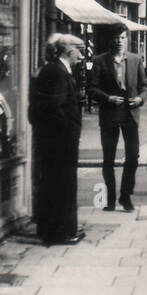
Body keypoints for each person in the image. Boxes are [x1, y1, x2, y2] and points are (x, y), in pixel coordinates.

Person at [29, 33, 85, 245]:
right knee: (62, 187)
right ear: (69, 51)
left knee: (55, 185)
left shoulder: (56, 70)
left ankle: (55, 229)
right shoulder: (57, 72)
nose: (81, 55)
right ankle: (61, 232)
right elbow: (55, 108)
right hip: (60, 143)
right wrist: (69, 134)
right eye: (79, 50)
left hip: (56, 141)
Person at [89, 26, 147, 212]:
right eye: (116, 37)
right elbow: (91, 89)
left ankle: (125, 196)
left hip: (130, 114)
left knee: (133, 157)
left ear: (127, 39)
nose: (119, 41)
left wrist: (140, 99)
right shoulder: (100, 60)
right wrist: (108, 98)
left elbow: (145, 87)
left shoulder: (135, 59)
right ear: (111, 40)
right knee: (108, 159)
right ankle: (110, 199)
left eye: (122, 37)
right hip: (109, 115)